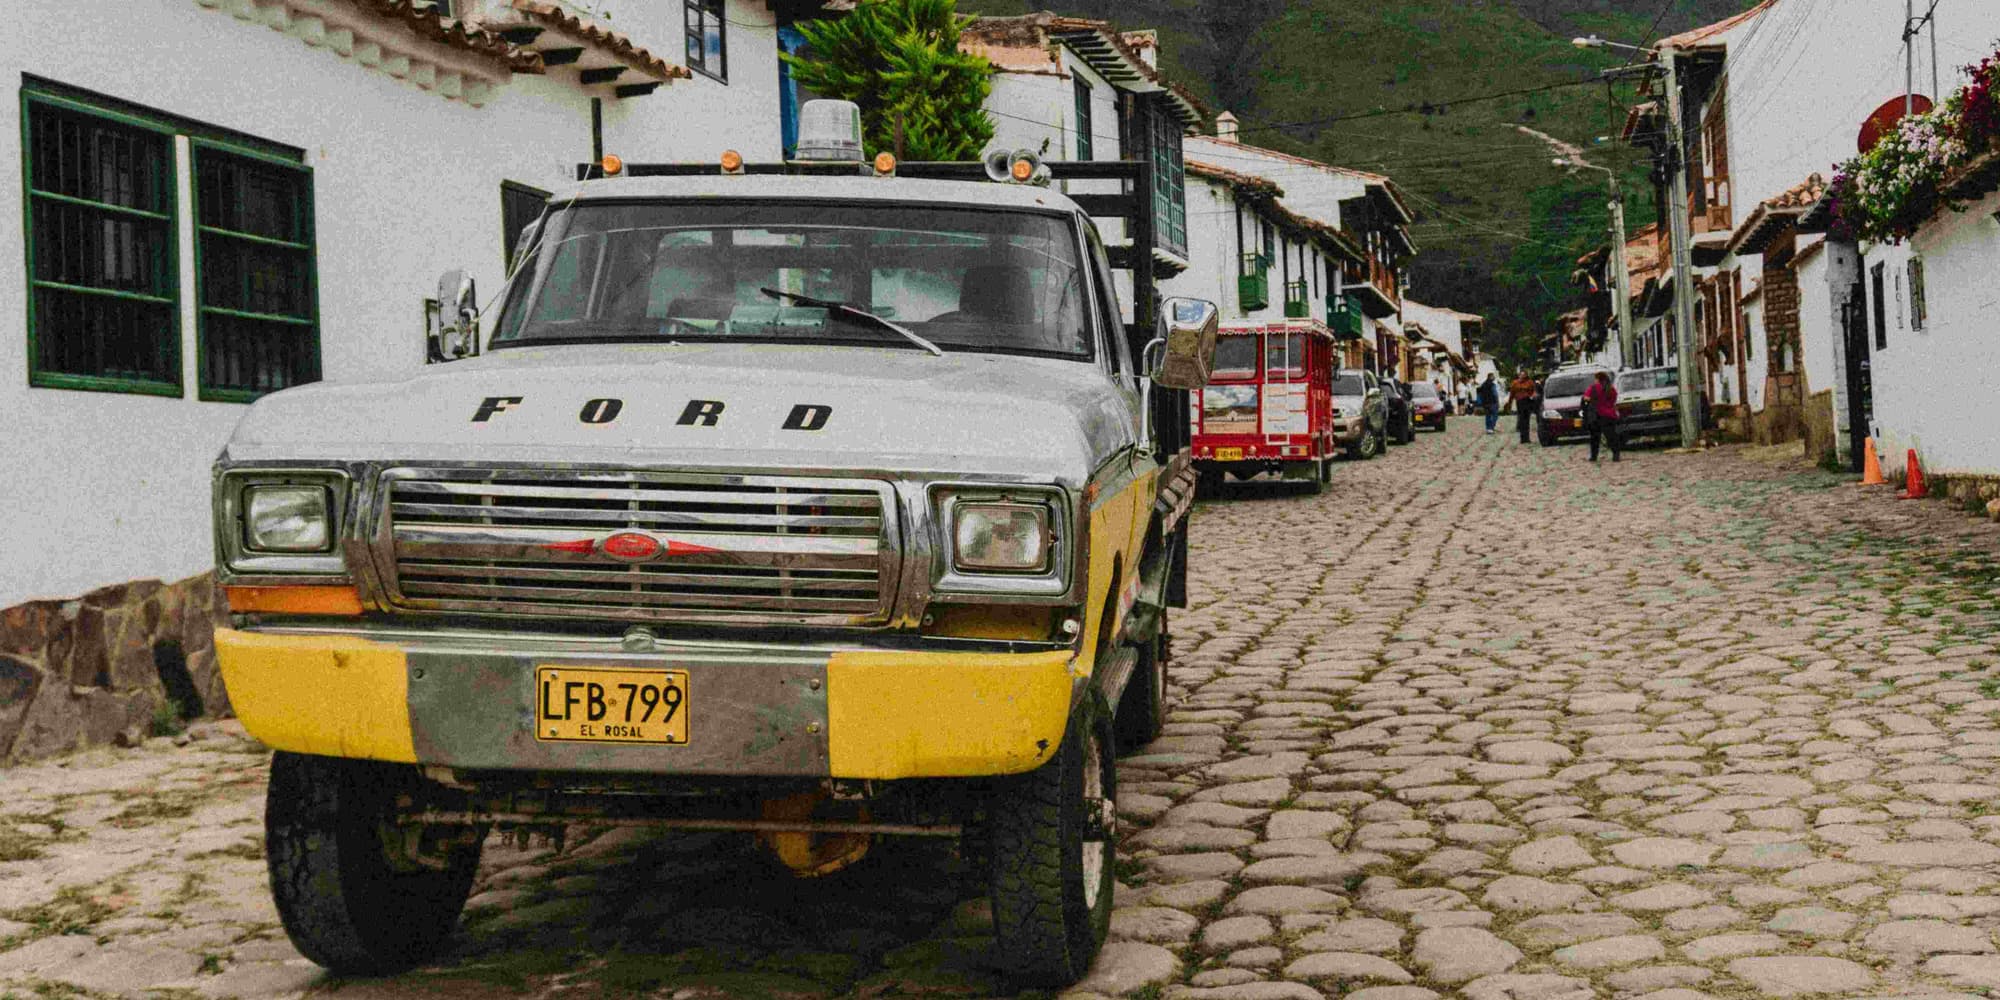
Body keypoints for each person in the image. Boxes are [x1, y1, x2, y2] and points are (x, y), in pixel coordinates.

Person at [1583, 370, 1622, 462]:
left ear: (1597, 379)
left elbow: (1586, 398)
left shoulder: (1593, 388)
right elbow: (1614, 400)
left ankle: (1594, 456)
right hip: (1609, 415)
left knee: (1595, 438)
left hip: (1596, 416)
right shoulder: (1611, 388)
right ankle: (1616, 455)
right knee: (1611, 436)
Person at [1508, 370, 1539, 444]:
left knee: (1526, 420)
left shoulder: (1529, 382)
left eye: (1523, 375)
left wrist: (1533, 396)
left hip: (1527, 401)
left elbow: (1533, 391)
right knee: (1521, 420)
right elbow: (1512, 393)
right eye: (1520, 375)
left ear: (1526, 375)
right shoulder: (1515, 383)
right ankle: (1522, 438)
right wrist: (1510, 402)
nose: (1521, 376)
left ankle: (1527, 437)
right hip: (1519, 402)